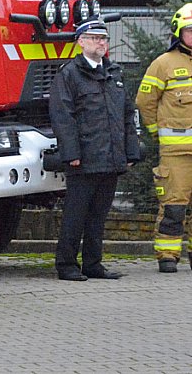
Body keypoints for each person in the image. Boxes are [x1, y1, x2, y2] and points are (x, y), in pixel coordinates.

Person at [49, 19, 140, 281]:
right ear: (81, 42)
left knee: (98, 216)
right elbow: (63, 117)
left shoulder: (114, 73)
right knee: (75, 216)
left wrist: (130, 152)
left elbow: (126, 115)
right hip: (84, 159)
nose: (101, 43)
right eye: (95, 38)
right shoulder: (69, 74)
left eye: (104, 38)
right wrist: (72, 154)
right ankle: (66, 265)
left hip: (110, 158)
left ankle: (93, 263)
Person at [135, 4, 192, 273]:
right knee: (173, 206)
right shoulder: (163, 64)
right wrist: (156, 131)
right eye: (190, 31)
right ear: (179, 33)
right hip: (175, 153)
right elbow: (145, 101)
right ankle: (168, 255)